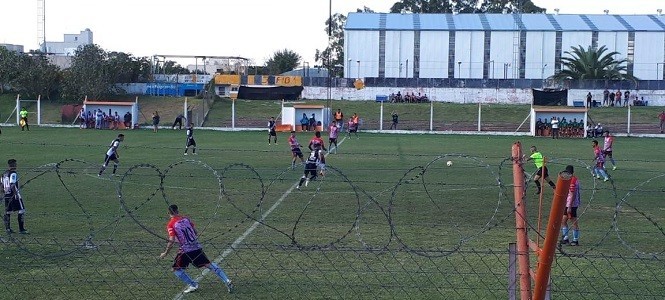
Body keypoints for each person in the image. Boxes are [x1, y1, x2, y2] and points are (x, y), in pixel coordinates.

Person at [159, 204, 233, 294]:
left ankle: (193, 285)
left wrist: (165, 253)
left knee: (176, 269)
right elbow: (195, 232)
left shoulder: (171, 224)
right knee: (208, 264)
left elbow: (171, 240)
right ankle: (227, 280)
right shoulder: (186, 219)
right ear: (177, 211)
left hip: (185, 250)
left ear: (168, 213)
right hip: (196, 247)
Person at [2, 159, 28, 234]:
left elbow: (1, 185)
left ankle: (8, 229)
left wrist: (3, 194)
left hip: (6, 195)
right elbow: (12, 184)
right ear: (13, 165)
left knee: (8, 212)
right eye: (15, 164)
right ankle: (21, 229)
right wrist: (16, 194)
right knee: (22, 210)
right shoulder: (13, 173)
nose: (16, 165)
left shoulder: (4, 174)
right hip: (13, 195)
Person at [560, 165, 580, 246]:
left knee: (573, 221)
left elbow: (572, 194)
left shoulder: (572, 181)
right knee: (563, 221)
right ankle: (566, 238)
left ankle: (575, 240)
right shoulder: (575, 179)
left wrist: (569, 207)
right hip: (568, 204)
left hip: (571, 205)